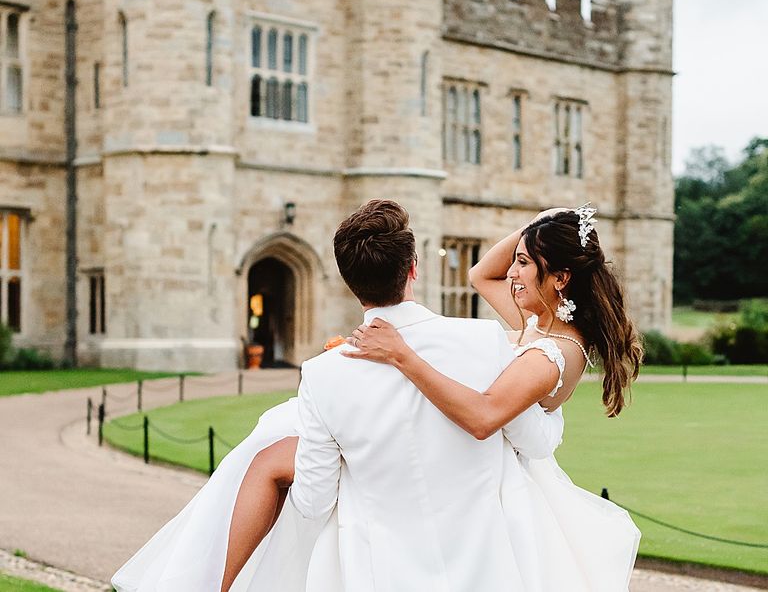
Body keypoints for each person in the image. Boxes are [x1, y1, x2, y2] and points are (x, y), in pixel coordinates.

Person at [112, 199, 565, 592]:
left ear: (349, 282)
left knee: (269, 450)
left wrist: (364, 459)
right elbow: (533, 443)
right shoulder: (484, 341)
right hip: (488, 565)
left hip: (379, 571)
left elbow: (313, 501)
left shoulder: (324, 374)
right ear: (413, 269)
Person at [344, 204, 645, 590]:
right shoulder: (538, 324)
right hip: (481, 474)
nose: (511, 272)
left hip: (503, 495)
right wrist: (536, 226)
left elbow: (484, 417)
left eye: (523, 263)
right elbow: (480, 274)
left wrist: (401, 354)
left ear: (560, 278)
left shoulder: (553, 353)